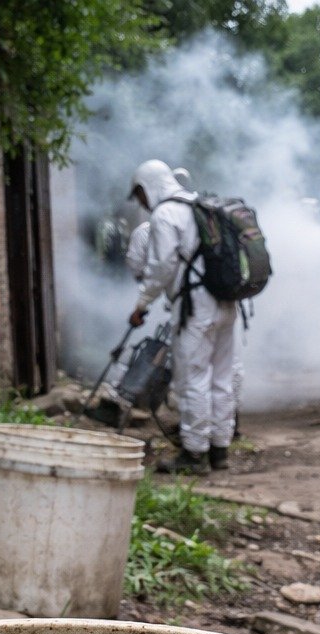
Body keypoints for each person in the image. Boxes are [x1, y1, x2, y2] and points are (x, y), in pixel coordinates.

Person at [127, 159, 239, 475]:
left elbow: (160, 268)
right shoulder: (201, 205)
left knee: (194, 378)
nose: (142, 203)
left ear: (147, 186)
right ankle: (219, 449)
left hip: (196, 306)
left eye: (140, 195)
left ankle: (194, 453)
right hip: (226, 302)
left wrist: (142, 304)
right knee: (221, 377)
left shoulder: (166, 214)